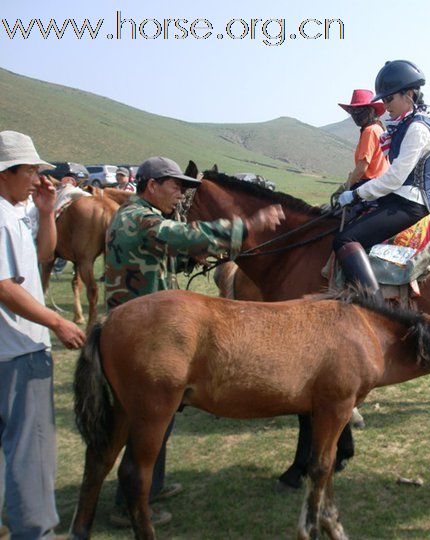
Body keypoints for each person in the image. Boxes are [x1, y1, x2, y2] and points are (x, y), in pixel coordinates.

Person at [105, 156, 284, 527]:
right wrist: (249, 224)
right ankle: (129, 504)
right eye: (174, 185)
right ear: (151, 185)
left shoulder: (144, 218)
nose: (180, 193)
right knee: (145, 421)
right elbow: (183, 236)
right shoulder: (137, 216)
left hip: (151, 330)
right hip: (141, 336)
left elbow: (168, 258)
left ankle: (151, 485)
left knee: (161, 417)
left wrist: (200, 257)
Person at [0, 130, 86, 539]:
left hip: (14, 348)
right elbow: (4, 287)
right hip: (18, 351)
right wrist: (57, 322)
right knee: (31, 452)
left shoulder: (15, 211)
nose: (37, 178)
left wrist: (47, 211)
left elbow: (44, 256)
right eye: (30, 171)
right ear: (4, 173)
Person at [334, 60, 430, 295]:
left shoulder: (417, 129)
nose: (385, 105)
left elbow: (394, 178)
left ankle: (374, 304)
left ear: (410, 94)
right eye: (383, 100)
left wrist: (355, 193)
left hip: (412, 205)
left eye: (389, 99)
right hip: (400, 199)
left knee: (344, 239)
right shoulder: (406, 125)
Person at [338, 89, 389, 190]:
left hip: (369, 185)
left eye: (360, 111)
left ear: (371, 111)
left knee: (339, 203)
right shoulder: (378, 128)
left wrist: (346, 186)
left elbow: (362, 167)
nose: (356, 114)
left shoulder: (369, 131)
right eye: (353, 111)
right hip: (380, 184)